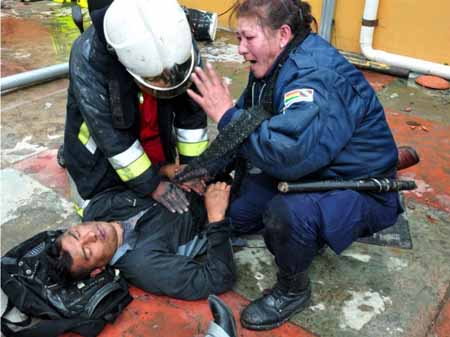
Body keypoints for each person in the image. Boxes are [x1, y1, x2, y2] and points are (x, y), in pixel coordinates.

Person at [185, 0, 405, 330]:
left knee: (284, 214)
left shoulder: (316, 77)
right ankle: (308, 235)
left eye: (248, 38)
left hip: (358, 188)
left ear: (283, 34)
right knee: (237, 215)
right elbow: (248, 123)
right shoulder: (272, 65)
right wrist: (207, 168)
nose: (240, 49)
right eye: (239, 39)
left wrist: (226, 116)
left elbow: (289, 156)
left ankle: (292, 289)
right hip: (316, 169)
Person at [63, 0, 209, 217]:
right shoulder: (88, 57)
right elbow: (110, 138)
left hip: (148, 139)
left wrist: (193, 167)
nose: (162, 85)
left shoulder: (175, 36)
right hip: (99, 163)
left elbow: (192, 111)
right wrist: (151, 185)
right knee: (114, 212)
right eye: (153, 80)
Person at [54, 182, 235, 300]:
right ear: (97, 270)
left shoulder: (97, 208)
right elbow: (218, 279)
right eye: (88, 251)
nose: (91, 236)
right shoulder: (146, 266)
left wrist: (166, 171)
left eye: (78, 234)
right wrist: (216, 217)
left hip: (193, 176)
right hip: (229, 205)